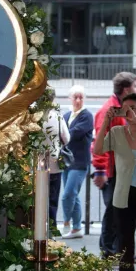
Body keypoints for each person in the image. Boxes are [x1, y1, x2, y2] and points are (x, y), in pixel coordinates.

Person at [93, 93, 136, 271]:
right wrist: (106, 123)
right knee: (124, 245)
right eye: (125, 109)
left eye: (134, 109)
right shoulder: (117, 132)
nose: (129, 113)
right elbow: (98, 149)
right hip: (123, 196)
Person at [91, 72, 136, 257]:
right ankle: (109, 250)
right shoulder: (109, 110)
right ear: (126, 89)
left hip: (122, 169)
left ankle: (116, 249)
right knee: (114, 213)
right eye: (135, 86)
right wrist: (100, 170)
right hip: (113, 170)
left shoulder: (122, 107)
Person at [60, 85, 93, 239]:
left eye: (81, 97)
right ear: (70, 98)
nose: (78, 100)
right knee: (74, 195)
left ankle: (66, 222)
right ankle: (77, 228)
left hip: (79, 162)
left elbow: (73, 133)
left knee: (68, 195)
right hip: (66, 161)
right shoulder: (66, 115)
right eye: (75, 97)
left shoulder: (87, 116)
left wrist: (62, 133)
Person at [41, 89, 70, 231]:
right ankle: (51, 229)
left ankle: (39, 228)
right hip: (54, 165)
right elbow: (67, 138)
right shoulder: (57, 116)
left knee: (39, 199)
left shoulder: (34, 116)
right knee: (52, 200)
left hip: (37, 165)